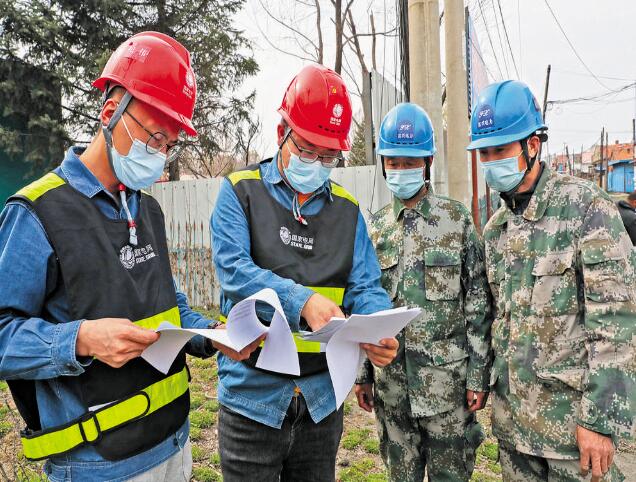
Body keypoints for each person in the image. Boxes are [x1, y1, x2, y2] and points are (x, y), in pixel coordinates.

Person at [0, 32, 260, 481]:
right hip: (97, 463)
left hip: (175, 444)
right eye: (154, 136)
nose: (159, 153)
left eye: (169, 143)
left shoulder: (148, 209)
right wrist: (81, 340)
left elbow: (166, 308)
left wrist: (210, 336)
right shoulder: (36, 212)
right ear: (110, 112)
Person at [211, 64, 399, 481]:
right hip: (252, 399)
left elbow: (365, 284)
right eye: (308, 149)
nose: (317, 162)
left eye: (329, 154)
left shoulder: (347, 212)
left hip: (320, 401)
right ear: (282, 133)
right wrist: (303, 301)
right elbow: (235, 273)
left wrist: (379, 327)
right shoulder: (240, 193)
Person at [467, 79, 636, 482]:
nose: (491, 162)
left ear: (533, 145)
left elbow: (616, 323)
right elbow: (496, 322)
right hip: (515, 432)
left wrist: (599, 422)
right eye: (484, 153)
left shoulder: (586, 209)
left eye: (500, 150)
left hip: (573, 437)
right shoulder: (495, 231)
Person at [354, 102, 493, 481]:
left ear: (428, 161)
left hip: (448, 390)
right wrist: (363, 374)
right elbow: (364, 305)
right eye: (394, 163)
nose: (401, 171)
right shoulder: (376, 228)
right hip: (393, 390)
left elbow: (478, 303)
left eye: (410, 162)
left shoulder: (456, 220)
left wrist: (478, 376)